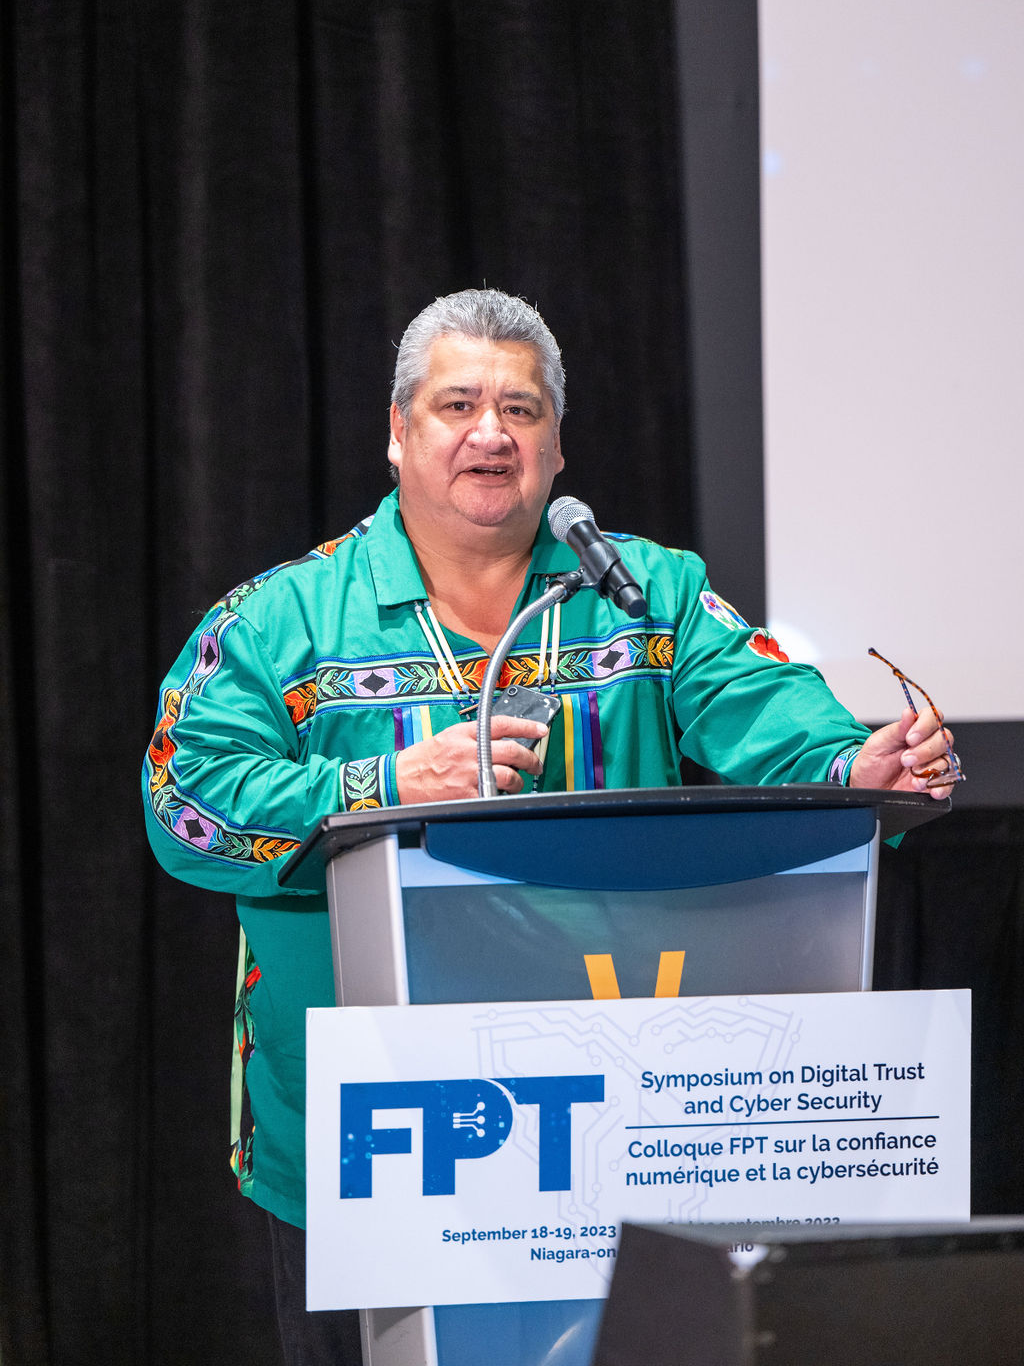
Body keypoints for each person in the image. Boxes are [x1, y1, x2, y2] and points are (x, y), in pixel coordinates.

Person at [143, 288, 956, 1363]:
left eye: (520, 410)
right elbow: (185, 804)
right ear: (396, 433)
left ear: (557, 446)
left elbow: (772, 717)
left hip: (626, 1124)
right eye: (457, 405)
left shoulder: (645, 594)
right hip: (384, 1143)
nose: (490, 433)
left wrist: (858, 766)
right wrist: (380, 785)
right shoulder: (280, 621)